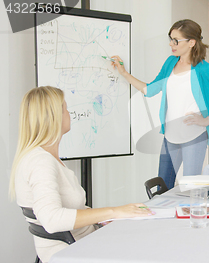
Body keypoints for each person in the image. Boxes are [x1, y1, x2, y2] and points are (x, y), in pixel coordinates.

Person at [9, 86, 154, 263]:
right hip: (73, 250)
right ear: (53, 117)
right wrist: (115, 212)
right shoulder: (41, 162)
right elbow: (52, 219)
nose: (69, 114)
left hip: (85, 241)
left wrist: (108, 217)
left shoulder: (46, 158)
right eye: (65, 109)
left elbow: (70, 208)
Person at [111, 19, 209, 189]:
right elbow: (150, 90)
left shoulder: (203, 69)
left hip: (194, 136)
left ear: (191, 42)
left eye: (176, 40)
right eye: (170, 39)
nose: (171, 44)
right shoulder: (170, 63)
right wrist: (124, 73)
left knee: (191, 188)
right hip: (170, 136)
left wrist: (208, 119)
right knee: (163, 187)